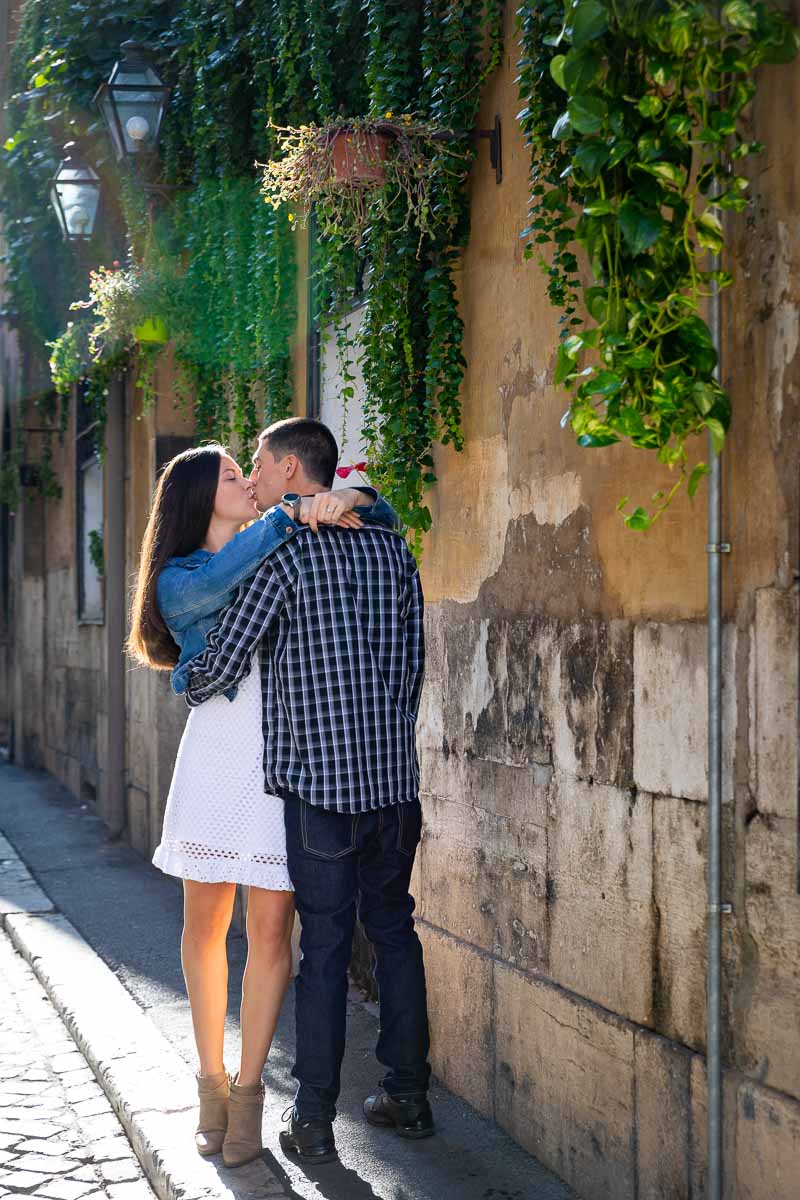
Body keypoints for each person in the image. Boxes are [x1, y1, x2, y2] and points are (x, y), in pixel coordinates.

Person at [127, 438, 397, 1167]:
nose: (249, 481)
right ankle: (209, 1081)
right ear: (194, 498)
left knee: (273, 931)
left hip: (284, 760)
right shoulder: (181, 580)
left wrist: (359, 498)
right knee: (205, 929)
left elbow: (383, 518)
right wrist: (298, 509)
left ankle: (249, 1097)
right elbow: (223, 576)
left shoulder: (268, 545)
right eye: (231, 474)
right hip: (218, 759)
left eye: (249, 471)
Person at [184, 417, 433, 1166]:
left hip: (319, 789)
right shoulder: (395, 550)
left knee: (322, 946)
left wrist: (183, 674)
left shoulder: (286, 556)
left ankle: (315, 1122)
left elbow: (224, 661)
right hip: (393, 784)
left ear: (292, 469)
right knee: (394, 930)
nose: (254, 478)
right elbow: (413, 665)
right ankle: (410, 1097)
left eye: (259, 464)